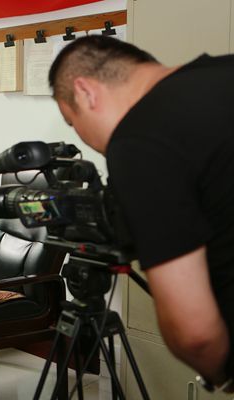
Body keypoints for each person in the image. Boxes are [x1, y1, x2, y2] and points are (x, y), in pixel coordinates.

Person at [48, 35, 234, 391]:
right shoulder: (223, 71)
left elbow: (195, 333)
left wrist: (223, 376)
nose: (83, 137)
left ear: (85, 92)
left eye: (72, 122)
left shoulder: (139, 139)